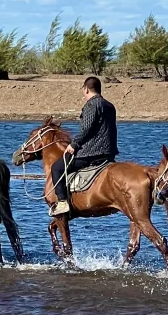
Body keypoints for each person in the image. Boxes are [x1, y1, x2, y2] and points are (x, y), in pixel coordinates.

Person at [51, 75, 118, 216]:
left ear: (86, 89)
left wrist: (74, 144)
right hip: (109, 152)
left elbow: (87, 128)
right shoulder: (109, 105)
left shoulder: (91, 105)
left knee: (57, 168)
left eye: (83, 90)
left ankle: (62, 202)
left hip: (91, 153)